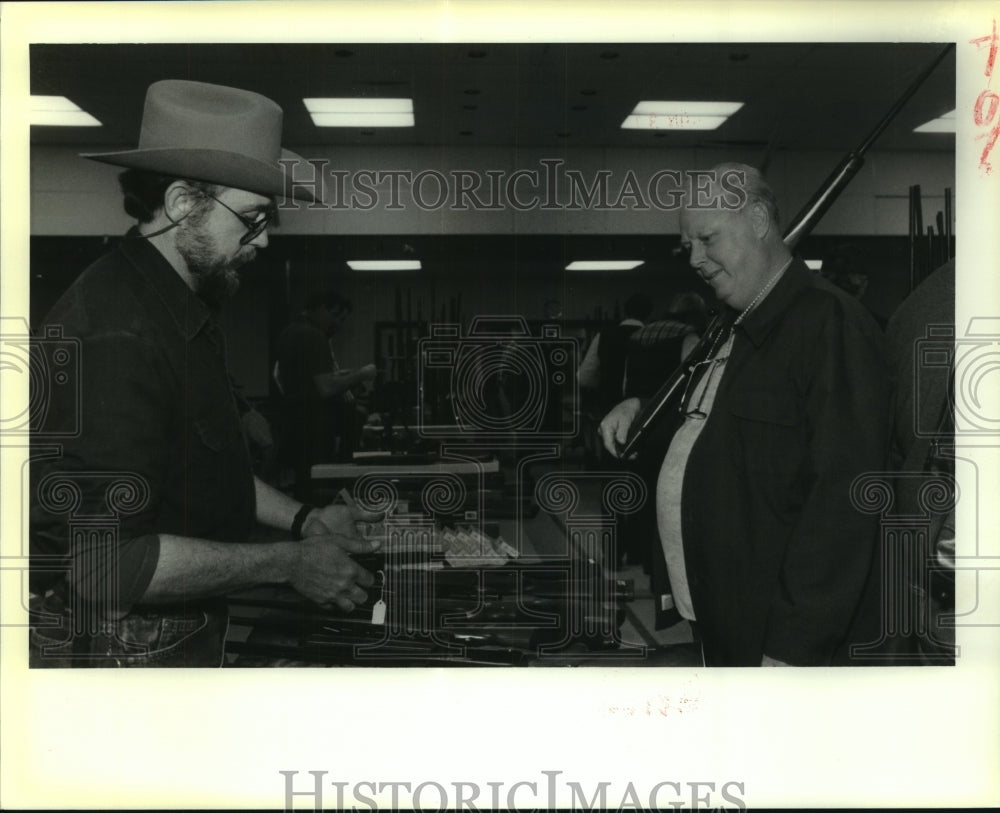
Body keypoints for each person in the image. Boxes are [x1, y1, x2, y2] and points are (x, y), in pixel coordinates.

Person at [29, 79, 381, 667]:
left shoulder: (177, 308)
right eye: (252, 218)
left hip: (175, 627)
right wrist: (287, 562)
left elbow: (206, 470)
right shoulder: (118, 336)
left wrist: (305, 520)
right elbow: (106, 568)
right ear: (182, 204)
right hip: (128, 648)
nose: (263, 240)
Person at [599, 163, 890, 666]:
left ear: (758, 219)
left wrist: (792, 645)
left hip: (777, 634)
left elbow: (844, 502)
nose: (694, 258)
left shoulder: (829, 323)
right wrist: (641, 407)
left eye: (707, 238)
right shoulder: (731, 322)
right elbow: (718, 420)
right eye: (687, 245)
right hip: (718, 610)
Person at [274, 292, 377, 498]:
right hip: (314, 427)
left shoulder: (290, 331)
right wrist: (362, 374)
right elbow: (325, 388)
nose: (337, 324)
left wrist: (337, 376)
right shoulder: (312, 335)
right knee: (319, 489)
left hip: (296, 423)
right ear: (320, 308)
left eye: (342, 320)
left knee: (306, 487)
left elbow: (298, 377)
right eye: (335, 316)